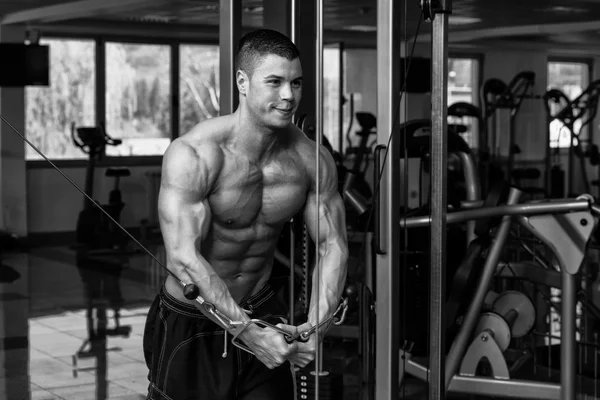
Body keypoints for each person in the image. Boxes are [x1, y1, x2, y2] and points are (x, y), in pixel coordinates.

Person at [143, 28, 348, 400]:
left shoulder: (311, 160)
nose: (289, 96)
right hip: (192, 322)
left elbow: (332, 244)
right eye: (275, 82)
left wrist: (317, 325)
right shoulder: (196, 154)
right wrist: (246, 332)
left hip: (264, 311)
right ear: (243, 81)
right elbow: (183, 259)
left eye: (296, 83)